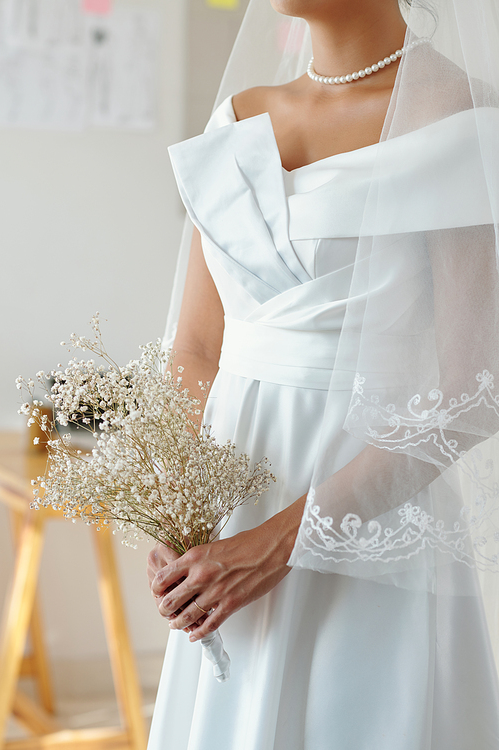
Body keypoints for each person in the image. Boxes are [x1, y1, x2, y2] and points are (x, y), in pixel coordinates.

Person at [146, 0, 499, 747]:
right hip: (224, 525)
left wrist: (285, 540)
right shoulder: (238, 118)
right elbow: (196, 349)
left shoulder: (457, 116)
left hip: (368, 523)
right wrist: (174, 513)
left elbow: (473, 393)